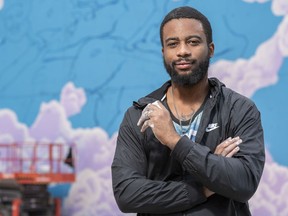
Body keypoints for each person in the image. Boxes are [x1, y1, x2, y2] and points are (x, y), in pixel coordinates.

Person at [111, 6, 265, 216]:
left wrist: (174, 140)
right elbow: (127, 195)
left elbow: (244, 182)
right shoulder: (139, 114)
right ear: (164, 52)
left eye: (193, 42)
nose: (182, 50)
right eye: (173, 44)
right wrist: (205, 186)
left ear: (210, 49)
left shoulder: (238, 109)